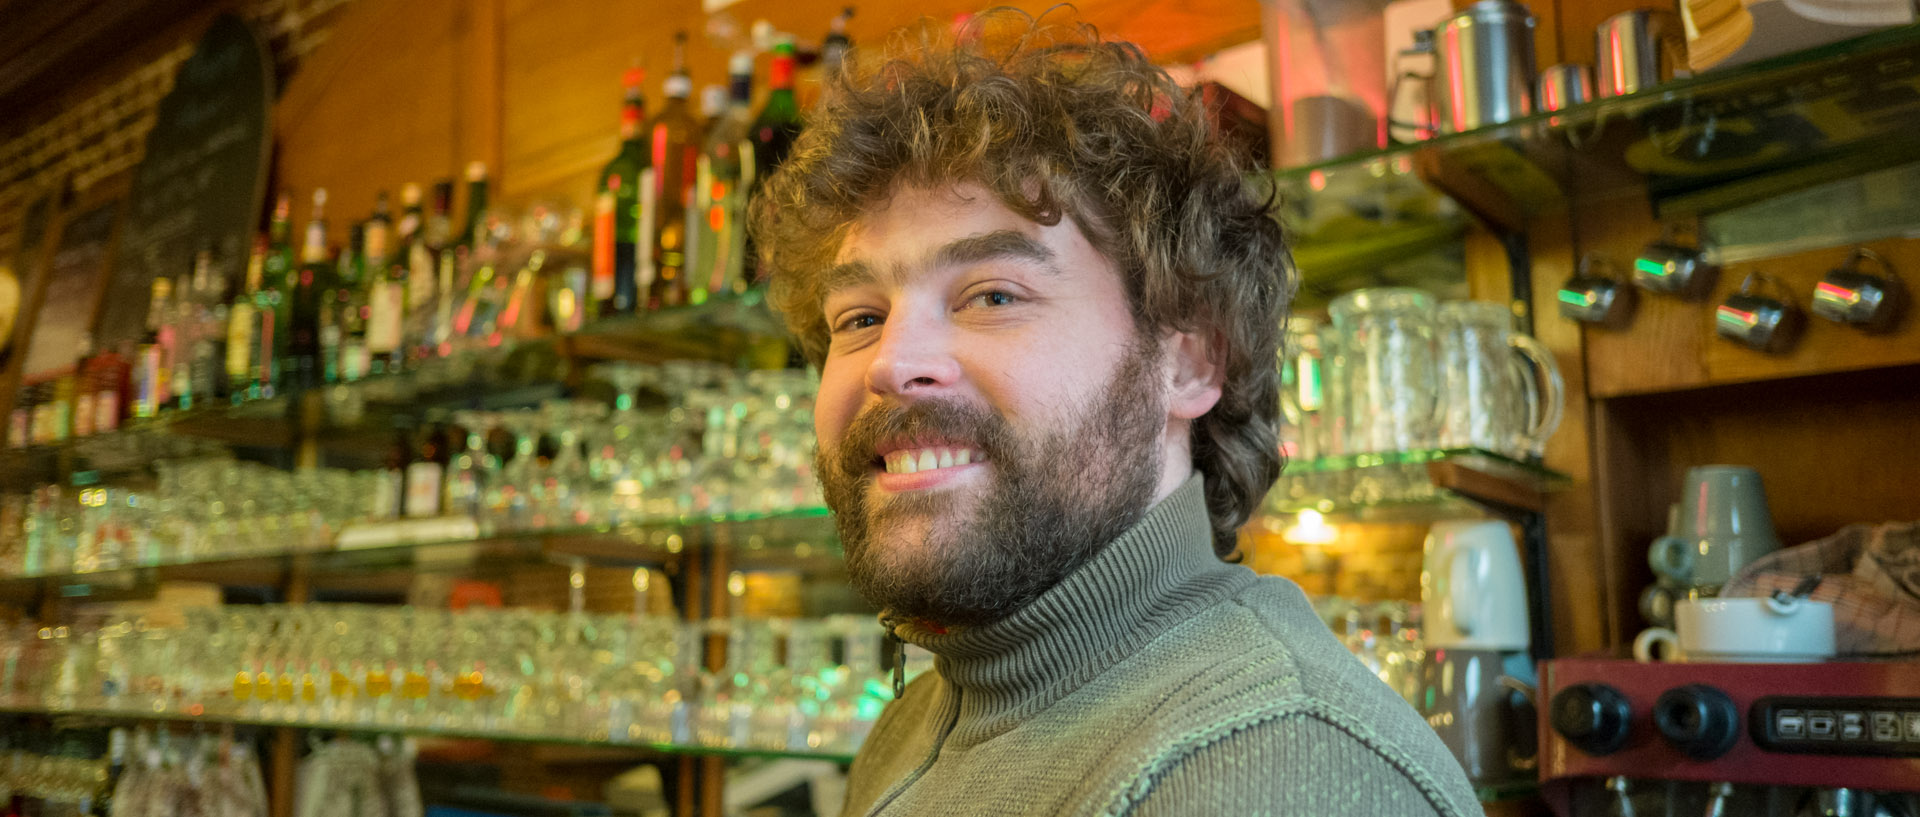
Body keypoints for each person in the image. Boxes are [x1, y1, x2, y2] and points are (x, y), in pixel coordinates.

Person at [751, 9, 1479, 816]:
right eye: (857, 317)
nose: (890, 361)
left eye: (993, 294)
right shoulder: (916, 723)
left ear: (1190, 359)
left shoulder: (1276, 767)